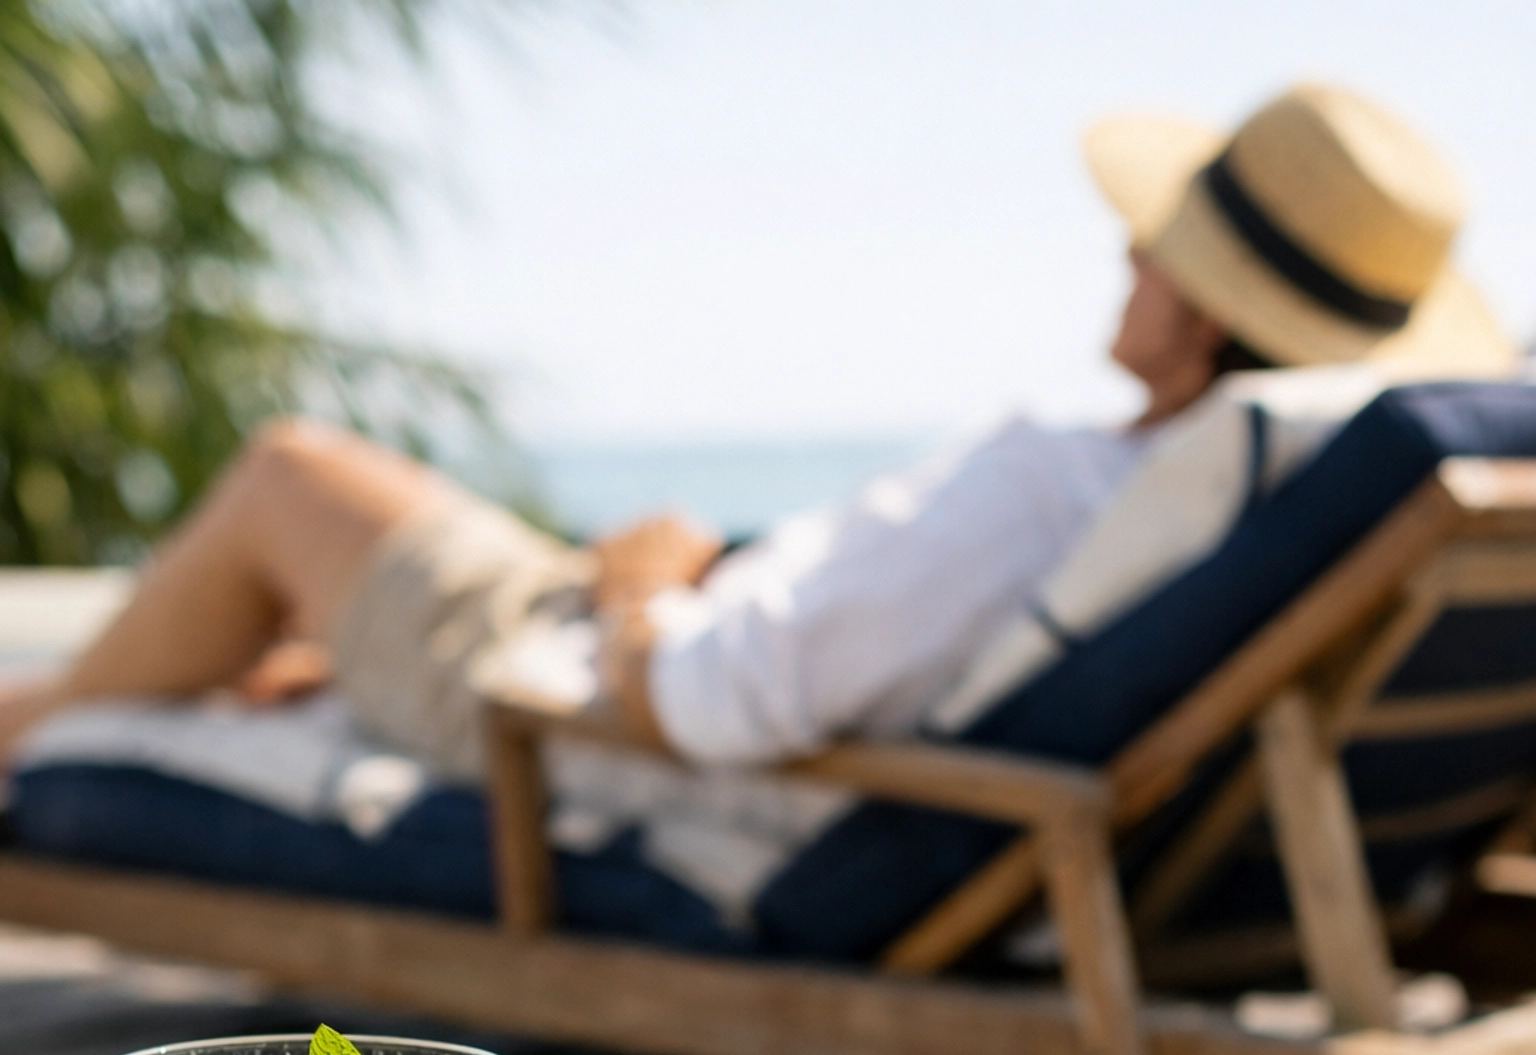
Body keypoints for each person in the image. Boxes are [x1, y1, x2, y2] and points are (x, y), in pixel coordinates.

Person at [0, 83, 1514, 953]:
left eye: (1157, 243)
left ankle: (40, 728)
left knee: (290, 478)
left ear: (1195, 307)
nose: (1129, 253)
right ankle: (93, 703)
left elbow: (722, 701)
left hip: (615, 715)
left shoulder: (1048, 479)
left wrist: (642, 590)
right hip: (832, 732)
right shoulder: (1229, 506)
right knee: (286, 646)